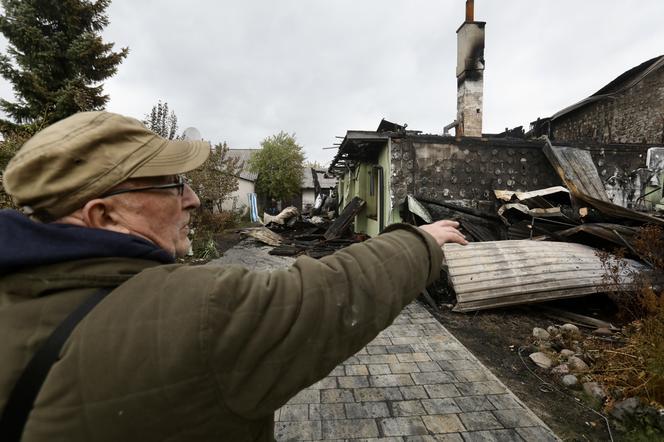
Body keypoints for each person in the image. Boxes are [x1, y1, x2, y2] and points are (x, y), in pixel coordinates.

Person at [0, 111, 467, 441]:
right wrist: (419, 240)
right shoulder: (196, 310)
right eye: (171, 184)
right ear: (103, 215)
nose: (192, 200)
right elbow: (328, 296)